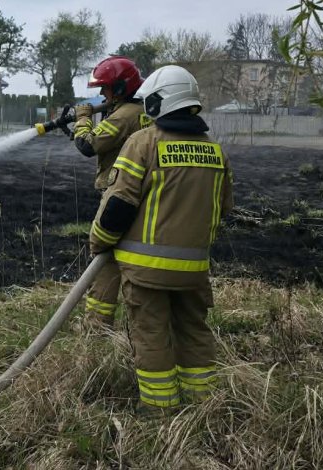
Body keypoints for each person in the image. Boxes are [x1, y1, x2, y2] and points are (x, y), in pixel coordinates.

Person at [86, 65, 233, 412]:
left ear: (157, 102)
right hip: (195, 270)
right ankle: (203, 405)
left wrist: (99, 242)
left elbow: (118, 206)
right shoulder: (215, 151)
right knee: (194, 333)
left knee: (151, 336)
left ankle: (159, 410)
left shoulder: (144, 143)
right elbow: (224, 209)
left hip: (146, 272)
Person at [72, 56, 148, 327]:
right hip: (142, 194)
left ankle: (97, 324)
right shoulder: (143, 111)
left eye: (105, 88)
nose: (102, 94)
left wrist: (82, 119)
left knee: (105, 257)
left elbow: (87, 145)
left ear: (119, 88)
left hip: (117, 194)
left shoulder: (125, 116)